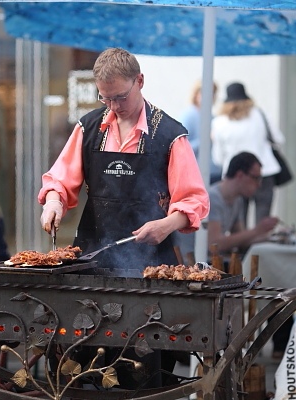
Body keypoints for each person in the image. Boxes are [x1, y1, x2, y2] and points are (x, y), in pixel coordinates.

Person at [39, 48, 209, 273]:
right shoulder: (87, 128)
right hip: (91, 258)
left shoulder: (170, 135)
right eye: (106, 98)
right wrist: (53, 203)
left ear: (139, 81)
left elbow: (194, 200)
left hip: (152, 263)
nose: (115, 106)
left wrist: (166, 225)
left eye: (120, 97)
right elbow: (59, 181)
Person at [211, 82, 285, 228]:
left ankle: (243, 250)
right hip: (263, 173)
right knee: (262, 223)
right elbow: (279, 139)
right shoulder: (259, 114)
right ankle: (260, 250)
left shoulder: (219, 122)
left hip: (237, 177)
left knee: (239, 223)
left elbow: (218, 158)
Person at [173, 80, 220, 263]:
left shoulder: (212, 117)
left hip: (212, 174)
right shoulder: (190, 115)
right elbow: (182, 147)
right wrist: (205, 140)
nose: (209, 97)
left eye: (213, 94)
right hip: (196, 175)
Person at [206, 151, 280, 260]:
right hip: (192, 264)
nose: (259, 185)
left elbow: (240, 240)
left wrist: (272, 237)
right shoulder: (212, 198)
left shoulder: (237, 200)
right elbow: (214, 244)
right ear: (240, 175)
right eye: (256, 178)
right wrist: (257, 230)